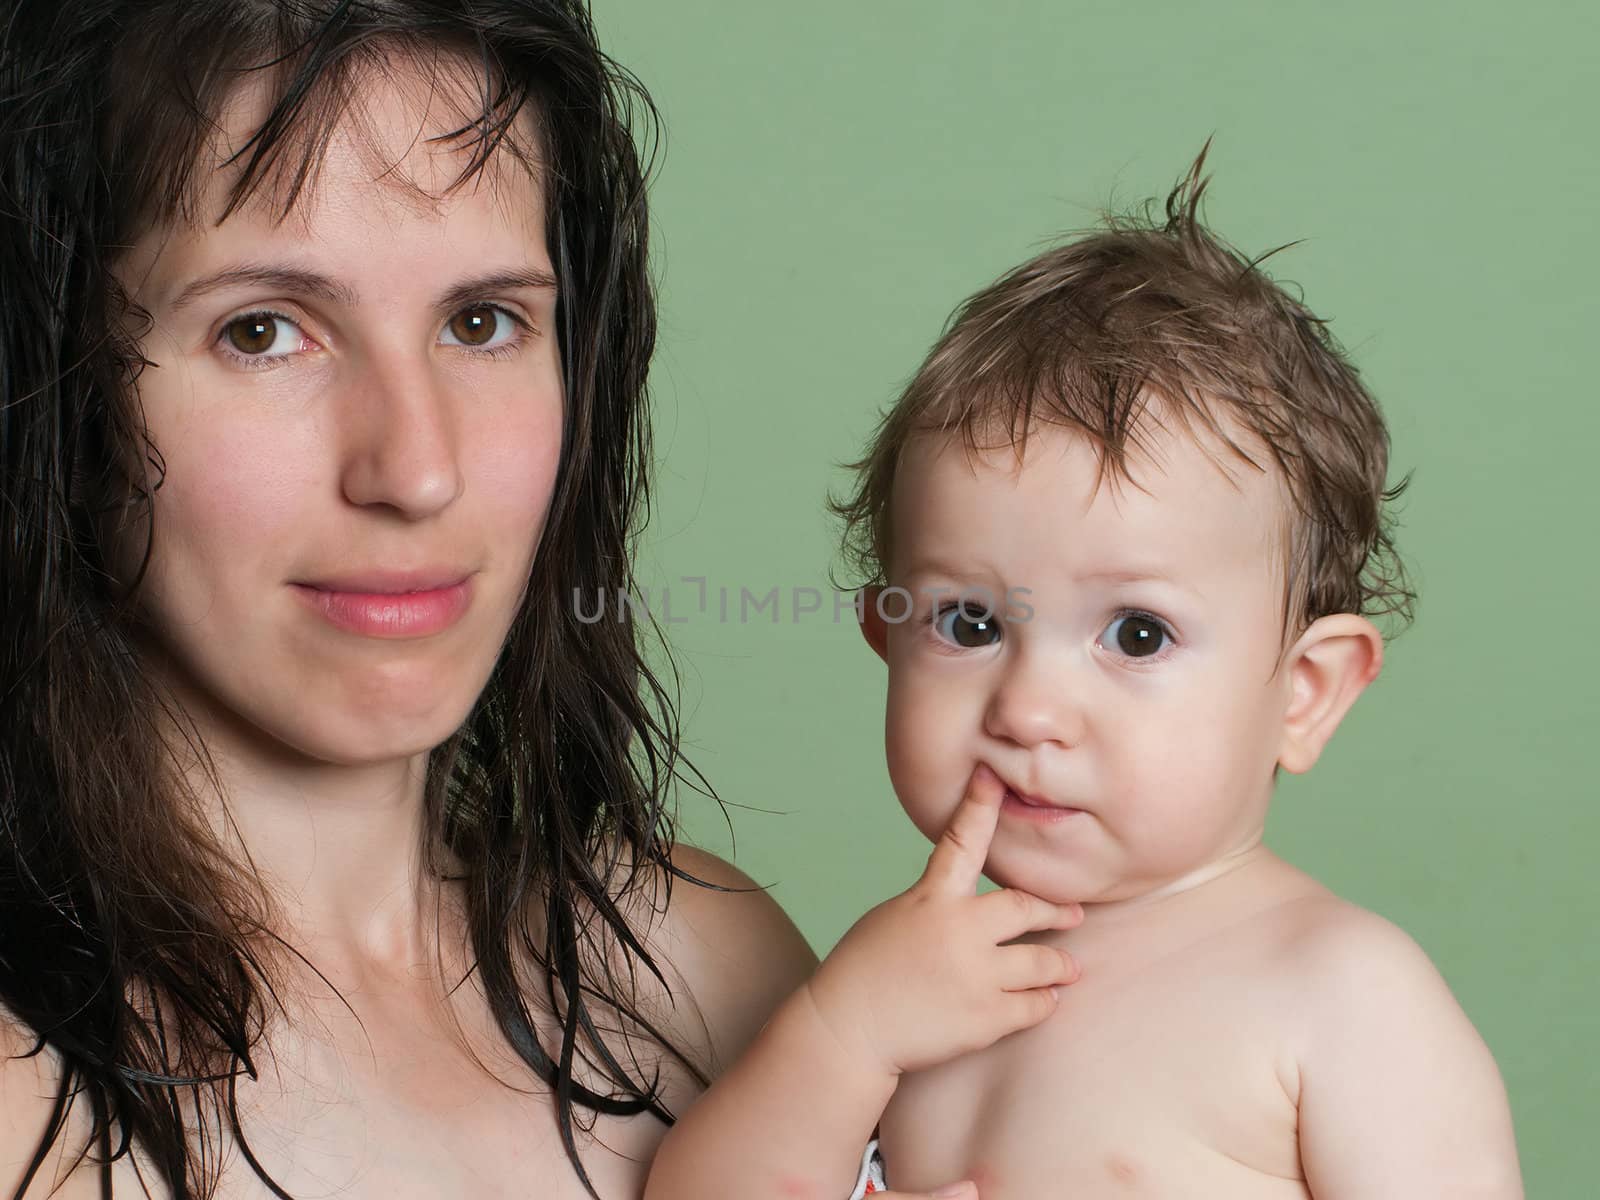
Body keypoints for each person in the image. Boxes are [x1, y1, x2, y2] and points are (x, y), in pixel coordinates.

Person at [0, 3, 1036, 1197]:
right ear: (57, 391)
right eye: (263, 330)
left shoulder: (708, 976)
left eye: (481, 322)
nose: (417, 468)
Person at [644, 155, 1526, 1198]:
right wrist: (840, 1036)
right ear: (886, 641)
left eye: (1137, 635)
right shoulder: (901, 993)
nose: (1027, 708)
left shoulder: (1337, 995)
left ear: (1304, 691)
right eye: (968, 622)